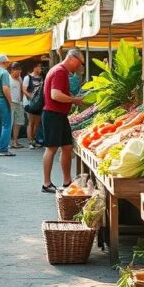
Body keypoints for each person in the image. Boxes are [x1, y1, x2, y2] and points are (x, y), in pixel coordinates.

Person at [41, 49, 85, 192]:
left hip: (60, 115)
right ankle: (46, 184)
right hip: (53, 115)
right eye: (79, 63)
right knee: (51, 148)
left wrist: (69, 96)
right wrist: (74, 100)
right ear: (71, 58)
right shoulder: (60, 71)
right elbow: (55, 95)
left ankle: (67, 181)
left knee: (67, 147)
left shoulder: (60, 71)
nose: (79, 66)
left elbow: (59, 92)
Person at [23, 63, 44, 149]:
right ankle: (30, 141)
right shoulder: (27, 77)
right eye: (39, 66)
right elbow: (24, 89)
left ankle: (34, 140)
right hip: (29, 103)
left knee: (37, 123)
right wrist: (31, 96)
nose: (40, 68)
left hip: (38, 103)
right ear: (34, 67)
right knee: (31, 122)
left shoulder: (41, 78)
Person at [8, 62, 25, 149]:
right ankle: (6, 142)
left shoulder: (20, 78)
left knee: (18, 123)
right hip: (10, 103)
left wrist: (21, 100)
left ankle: (15, 141)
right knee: (9, 123)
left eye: (20, 70)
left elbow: (21, 90)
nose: (19, 72)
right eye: (18, 70)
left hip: (18, 103)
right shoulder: (7, 78)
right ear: (12, 70)